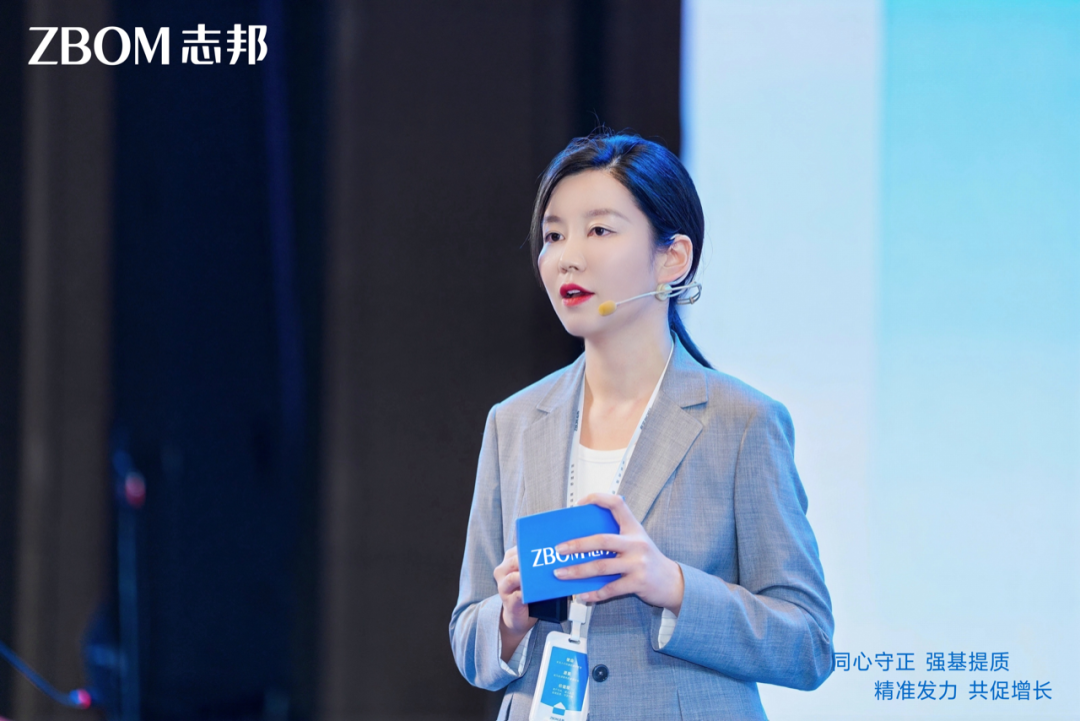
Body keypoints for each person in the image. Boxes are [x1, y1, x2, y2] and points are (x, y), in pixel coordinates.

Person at [449, 133, 833, 720]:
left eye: (600, 230)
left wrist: (672, 585)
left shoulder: (742, 423)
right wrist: (507, 620)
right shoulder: (515, 421)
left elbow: (808, 643)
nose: (568, 256)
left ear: (673, 258)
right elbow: (467, 637)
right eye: (554, 235)